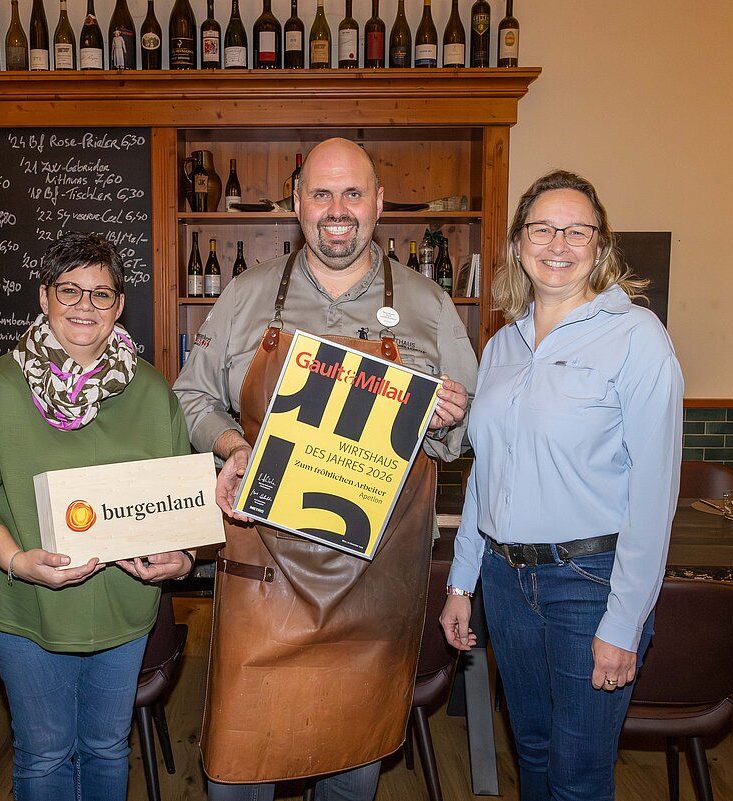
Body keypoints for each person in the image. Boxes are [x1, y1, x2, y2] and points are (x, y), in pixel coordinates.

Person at [174, 137, 476, 800]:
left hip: (373, 586)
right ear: (296, 203)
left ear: (378, 203)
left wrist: (453, 415)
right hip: (263, 576)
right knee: (236, 774)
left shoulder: (428, 304)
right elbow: (189, 393)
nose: (336, 209)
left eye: (352, 193)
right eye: (321, 193)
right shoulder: (247, 296)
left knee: (350, 773)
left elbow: (473, 421)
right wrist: (230, 446)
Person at [441, 170, 684, 801]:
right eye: (543, 228)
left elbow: (655, 499)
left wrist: (624, 621)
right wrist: (462, 582)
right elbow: (482, 476)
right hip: (504, 580)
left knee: (578, 777)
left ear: (600, 246)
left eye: (577, 230)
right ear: (519, 243)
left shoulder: (638, 340)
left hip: (590, 586)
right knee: (534, 754)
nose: (559, 243)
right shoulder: (499, 346)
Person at [0, 231, 193, 801]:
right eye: (70, 291)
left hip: (124, 606)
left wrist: (181, 555)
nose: (85, 305)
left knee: (108, 747)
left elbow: (180, 499)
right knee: (46, 751)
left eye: (101, 294)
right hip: (24, 604)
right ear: (44, 297)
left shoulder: (153, 392)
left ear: (119, 306)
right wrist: (18, 561)